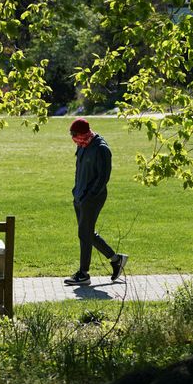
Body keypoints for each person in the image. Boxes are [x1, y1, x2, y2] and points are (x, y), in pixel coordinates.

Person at [64, 117, 128, 286]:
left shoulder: (101, 148)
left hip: (93, 197)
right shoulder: (83, 145)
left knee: (84, 234)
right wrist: (76, 191)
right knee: (87, 233)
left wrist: (89, 195)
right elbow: (79, 170)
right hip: (79, 195)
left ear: (84, 133)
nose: (73, 138)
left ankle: (83, 274)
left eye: (75, 134)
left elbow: (103, 177)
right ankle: (116, 259)